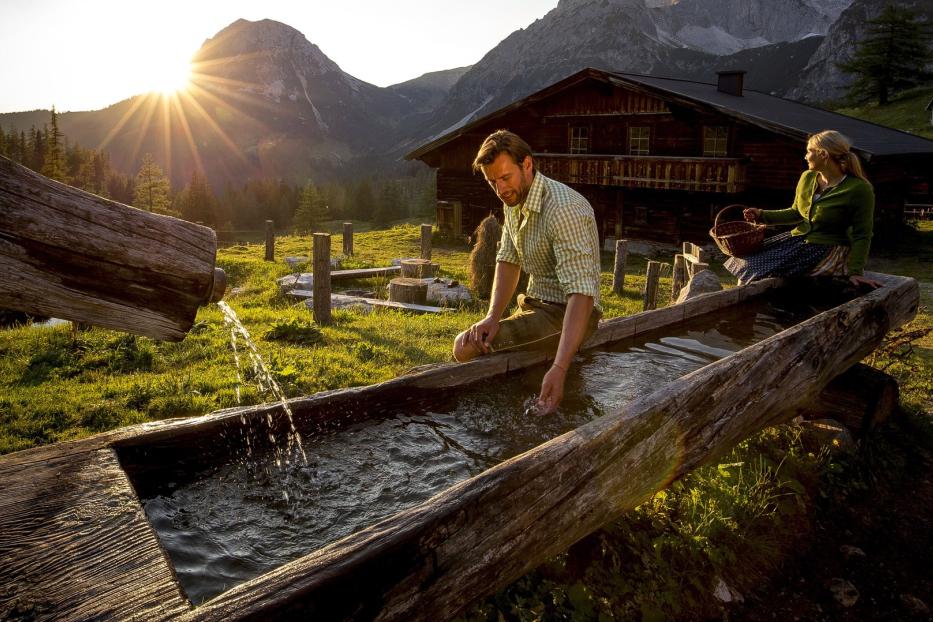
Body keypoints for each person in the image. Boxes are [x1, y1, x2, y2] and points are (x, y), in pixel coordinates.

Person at [452, 130, 601, 415]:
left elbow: (582, 294)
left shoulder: (564, 210)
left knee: (463, 349)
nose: (500, 189)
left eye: (505, 177)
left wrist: (560, 368)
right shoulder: (515, 200)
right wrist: (492, 317)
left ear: (527, 165)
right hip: (535, 305)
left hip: (568, 314)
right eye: (492, 181)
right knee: (473, 339)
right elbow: (508, 259)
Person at [724, 130, 881, 289]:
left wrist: (855, 271)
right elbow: (796, 212)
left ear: (823, 154)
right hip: (797, 240)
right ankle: (737, 305)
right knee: (744, 260)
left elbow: (862, 234)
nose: (805, 156)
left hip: (825, 248)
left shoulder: (859, 189)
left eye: (809, 151)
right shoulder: (808, 177)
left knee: (754, 267)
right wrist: (761, 215)